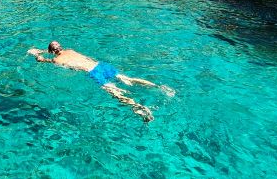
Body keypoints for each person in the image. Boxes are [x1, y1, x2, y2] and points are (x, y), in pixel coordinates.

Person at [26, 41, 174, 122]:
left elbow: (43, 59)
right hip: (100, 65)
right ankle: (160, 87)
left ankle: (139, 108)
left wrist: (37, 54)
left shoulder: (56, 60)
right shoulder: (70, 50)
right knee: (128, 79)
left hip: (93, 73)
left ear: (51, 51)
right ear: (61, 46)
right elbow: (52, 51)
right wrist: (43, 50)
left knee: (115, 93)